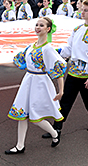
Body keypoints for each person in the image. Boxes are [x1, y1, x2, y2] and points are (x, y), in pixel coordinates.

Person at [5, 16, 66, 153]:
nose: (38, 27)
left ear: (48, 29)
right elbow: (19, 61)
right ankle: (20, 145)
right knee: (21, 114)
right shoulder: (31, 46)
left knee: (36, 117)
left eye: (41, 25)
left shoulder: (48, 49)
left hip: (40, 83)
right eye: (37, 25)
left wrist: (61, 91)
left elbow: (58, 69)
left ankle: (55, 133)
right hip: (28, 81)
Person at [53, 0, 88, 135]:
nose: (82, 12)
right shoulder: (77, 29)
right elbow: (69, 48)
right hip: (73, 71)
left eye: (86, 10)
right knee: (65, 100)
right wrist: (55, 52)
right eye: (82, 9)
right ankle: (56, 128)